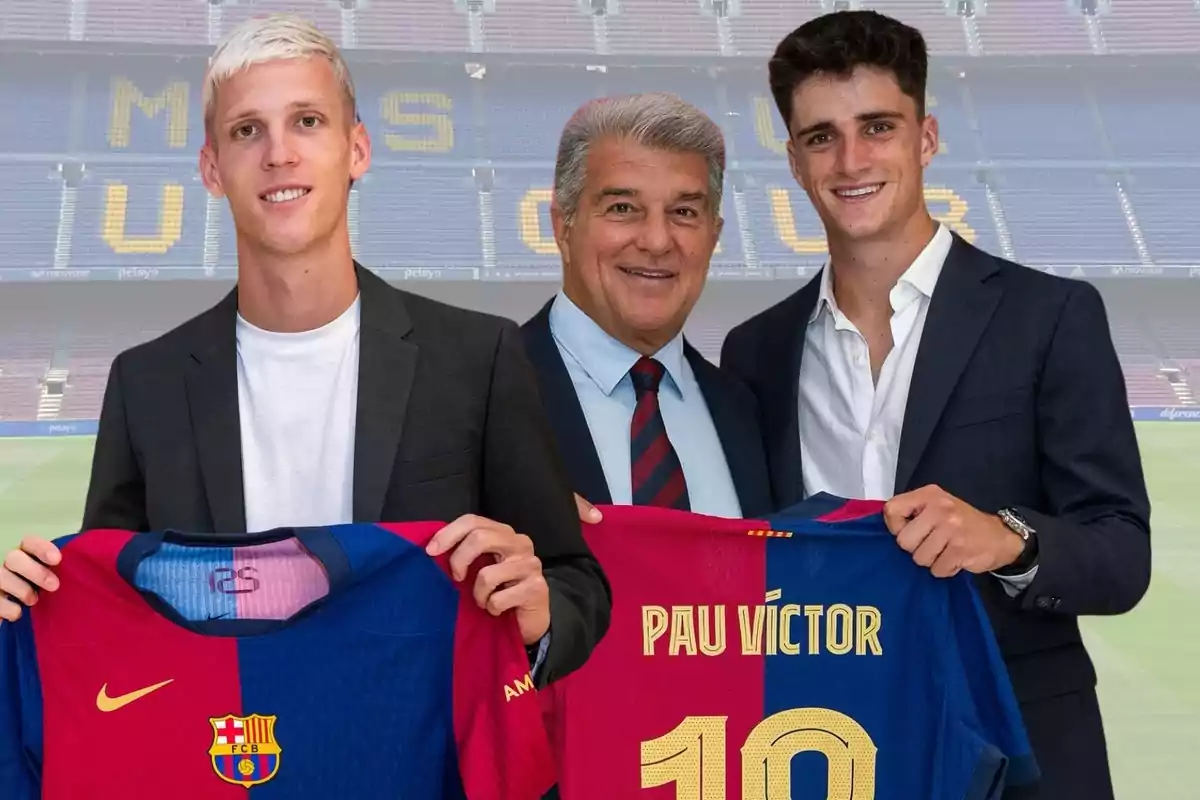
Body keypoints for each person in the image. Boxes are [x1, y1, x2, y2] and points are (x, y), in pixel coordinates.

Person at [0, 13, 611, 688]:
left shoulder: (478, 357)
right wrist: (31, 606)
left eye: (307, 122)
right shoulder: (146, 384)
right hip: (233, 770)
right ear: (212, 168)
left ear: (357, 149)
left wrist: (542, 613)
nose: (278, 154)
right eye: (246, 130)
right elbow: (111, 607)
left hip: (421, 764)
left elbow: (576, 582)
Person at [719, 11, 1150, 800]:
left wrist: (1008, 540)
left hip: (1020, 745)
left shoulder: (1048, 316)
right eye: (821, 136)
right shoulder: (757, 352)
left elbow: (1122, 554)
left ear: (926, 137)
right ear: (793, 158)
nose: (851, 160)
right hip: (825, 744)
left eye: (877, 126)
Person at [521, 93, 772, 520]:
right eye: (622, 208)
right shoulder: (475, 399)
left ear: (714, 234)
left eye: (684, 212)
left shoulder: (750, 411)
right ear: (562, 227)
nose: (657, 241)